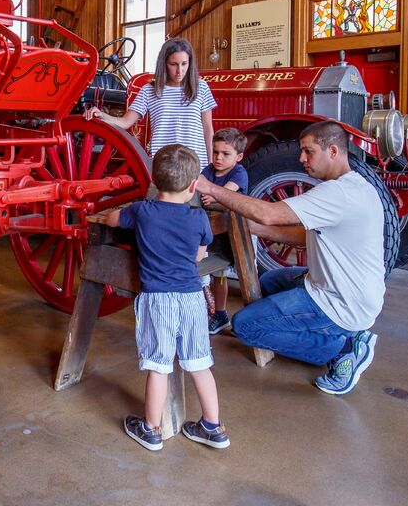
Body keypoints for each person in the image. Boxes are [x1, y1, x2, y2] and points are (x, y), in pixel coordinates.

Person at [194, 121, 384, 396]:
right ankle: (343, 332)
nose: (301, 159)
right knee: (269, 281)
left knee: (246, 326)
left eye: (308, 152)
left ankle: (343, 348)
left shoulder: (338, 193)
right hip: (350, 291)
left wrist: (210, 188)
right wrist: (254, 228)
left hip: (340, 302)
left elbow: (269, 213)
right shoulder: (356, 186)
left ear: (332, 151)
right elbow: (303, 236)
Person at [107, 144, 229, 451]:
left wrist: (114, 213)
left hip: (157, 300)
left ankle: (151, 429)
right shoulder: (199, 218)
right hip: (191, 298)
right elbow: (199, 256)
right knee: (199, 362)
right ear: (192, 187)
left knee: (159, 364)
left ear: (154, 180)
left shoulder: (142, 211)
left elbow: (113, 220)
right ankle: (213, 428)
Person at [85, 38, 217, 167]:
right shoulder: (149, 90)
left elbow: (208, 129)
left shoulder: (201, 87)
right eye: (173, 64)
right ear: (164, 63)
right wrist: (101, 114)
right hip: (164, 166)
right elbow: (125, 122)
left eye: (184, 64)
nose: (179, 71)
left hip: (196, 165)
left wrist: (210, 165)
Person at [198, 127, 249, 335]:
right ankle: (216, 313)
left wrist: (214, 194)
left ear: (239, 156)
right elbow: (198, 185)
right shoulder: (208, 170)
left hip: (233, 235)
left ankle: (235, 316)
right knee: (212, 274)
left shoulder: (239, 173)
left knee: (227, 276)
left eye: (225, 154)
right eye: (215, 152)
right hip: (211, 233)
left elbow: (226, 193)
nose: (218, 158)